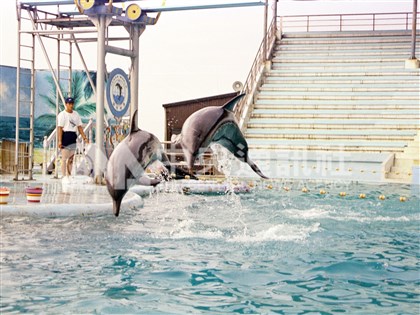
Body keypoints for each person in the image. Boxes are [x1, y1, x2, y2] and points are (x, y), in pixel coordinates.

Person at [57, 97, 89, 177]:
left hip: (73, 136)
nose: (71, 105)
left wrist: (84, 137)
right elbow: (60, 129)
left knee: (71, 158)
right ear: (66, 104)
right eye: (69, 104)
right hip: (65, 135)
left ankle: (69, 174)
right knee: (64, 158)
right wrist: (60, 141)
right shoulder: (62, 114)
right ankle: (64, 176)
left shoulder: (76, 114)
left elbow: (80, 127)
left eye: (72, 104)